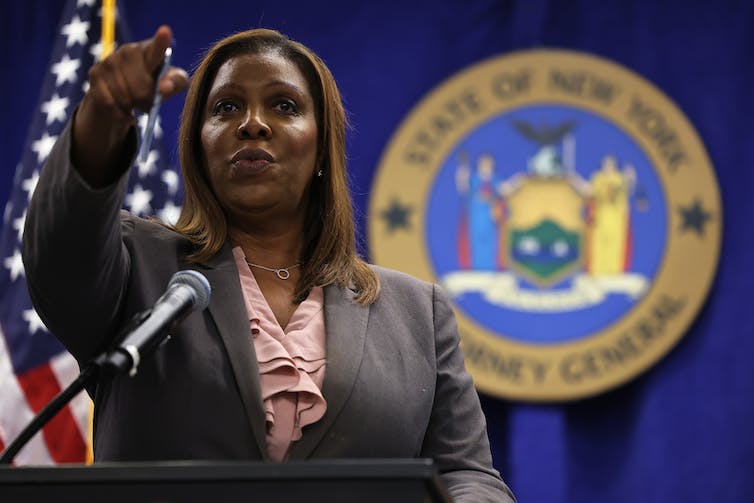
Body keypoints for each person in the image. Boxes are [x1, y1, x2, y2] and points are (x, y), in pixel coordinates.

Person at [22, 25, 515, 502]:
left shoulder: (416, 313)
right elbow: (60, 258)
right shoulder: (137, 265)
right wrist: (100, 125)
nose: (252, 123)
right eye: (226, 107)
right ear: (199, 144)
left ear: (322, 146)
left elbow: (467, 473)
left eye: (283, 105)